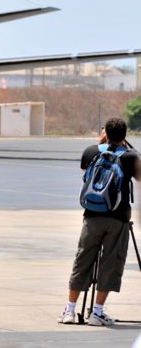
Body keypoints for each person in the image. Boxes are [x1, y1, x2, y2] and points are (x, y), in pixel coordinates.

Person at [59, 117, 140, 326]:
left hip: (92, 216)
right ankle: (97, 312)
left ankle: (69, 310)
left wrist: (102, 143)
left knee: (82, 260)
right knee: (111, 263)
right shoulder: (131, 156)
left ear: (105, 132)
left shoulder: (91, 152)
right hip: (118, 218)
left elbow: (87, 179)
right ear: (124, 134)